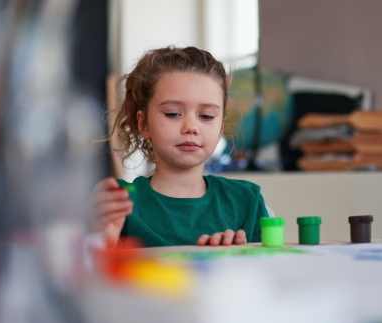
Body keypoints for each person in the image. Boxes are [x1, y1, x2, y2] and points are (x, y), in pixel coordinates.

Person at [91, 46, 268, 247]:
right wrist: (103, 237)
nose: (191, 127)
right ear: (144, 124)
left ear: (221, 128)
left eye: (206, 116)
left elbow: (268, 274)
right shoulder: (119, 202)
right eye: (173, 114)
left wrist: (234, 259)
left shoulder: (246, 200)